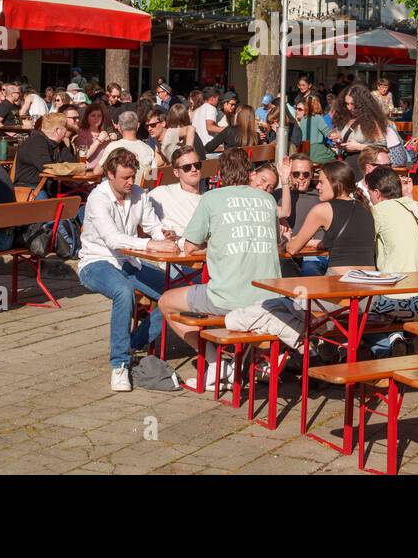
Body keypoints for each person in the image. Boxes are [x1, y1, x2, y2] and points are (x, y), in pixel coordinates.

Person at [158, 147, 283, 362]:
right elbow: (276, 243)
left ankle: (214, 359)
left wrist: (215, 247)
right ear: (249, 173)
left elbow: (189, 247)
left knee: (165, 302)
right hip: (270, 297)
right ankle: (233, 357)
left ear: (220, 174)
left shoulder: (211, 198)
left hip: (228, 297)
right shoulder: (268, 200)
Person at [76, 149, 174, 392]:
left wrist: (166, 236)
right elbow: (113, 240)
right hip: (96, 261)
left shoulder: (139, 194)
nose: (131, 182)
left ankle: (133, 342)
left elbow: (153, 227)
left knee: (175, 294)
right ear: (110, 174)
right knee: (124, 292)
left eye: (133, 176)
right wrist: (152, 243)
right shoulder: (98, 199)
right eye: (125, 178)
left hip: (129, 261)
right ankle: (119, 364)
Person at [365, 166, 418, 353]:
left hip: (398, 302)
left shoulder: (379, 211)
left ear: (376, 193)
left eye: (369, 193)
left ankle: (391, 342)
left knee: (357, 317)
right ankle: (408, 340)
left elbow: (363, 245)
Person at [284, 160, 375, 276]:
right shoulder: (365, 207)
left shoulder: (322, 210)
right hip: (370, 281)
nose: (317, 187)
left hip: (340, 282)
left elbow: (292, 249)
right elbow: (346, 243)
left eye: (321, 182)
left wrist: (287, 240)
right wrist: (312, 243)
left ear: (336, 183)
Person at [329, 82, 408, 168]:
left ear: (361, 104)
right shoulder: (348, 117)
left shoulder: (371, 120)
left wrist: (359, 147)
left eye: (352, 104)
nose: (349, 107)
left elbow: (382, 147)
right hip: (348, 164)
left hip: (365, 167)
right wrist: (340, 139)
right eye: (347, 103)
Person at [146, 145, 203, 245]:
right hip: (170, 253)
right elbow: (138, 208)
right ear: (176, 173)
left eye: (197, 165)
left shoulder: (208, 199)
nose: (194, 169)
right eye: (187, 167)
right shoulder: (162, 193)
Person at [13, 111, 77, 193]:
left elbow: (72, 163)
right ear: (57, 130)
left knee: (80, 196)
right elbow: (47, 167)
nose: (66, 132)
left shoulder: (59, 143)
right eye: (65, 128)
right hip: (29, 188)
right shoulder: (37, 141)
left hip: (49, 185)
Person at [99, 110, 157, 179]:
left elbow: (98, 172)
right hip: (143, 189)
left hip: (120, 189)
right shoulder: (149, 149)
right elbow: (153, 177)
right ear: (138, 126)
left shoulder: (113, 146)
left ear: (119, 127)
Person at [291, 94, 335, 164]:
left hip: (304, 150)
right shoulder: (318, 118)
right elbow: (328, 134)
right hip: (316, 150)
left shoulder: (303, 119)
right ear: (318, 105)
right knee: (334, 157)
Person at [75, 102, 118, 169]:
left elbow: (111, 155)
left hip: (105, 173)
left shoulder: (104, 131)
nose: (96, 118)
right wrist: (98, 140)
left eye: (99, 116)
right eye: (93, 115)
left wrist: (113, 141)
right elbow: (83, 156)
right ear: (87, 117)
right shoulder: (82, 133)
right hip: (90, 173)